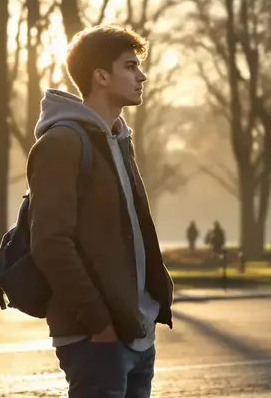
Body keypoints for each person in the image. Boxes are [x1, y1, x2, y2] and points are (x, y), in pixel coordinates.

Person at [27, 25, 173, 398]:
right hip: (96, 338)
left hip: (136, 332)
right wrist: (99, 323)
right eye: (130, 67)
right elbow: (50, 243)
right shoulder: (62, 143)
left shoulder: (119, 140)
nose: (141, 76)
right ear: (100, 76)